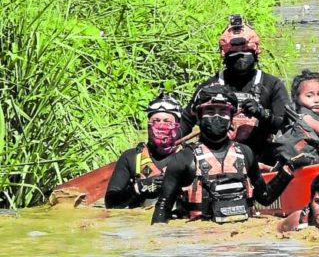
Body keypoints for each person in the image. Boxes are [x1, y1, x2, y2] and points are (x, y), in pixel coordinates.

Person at [151, 85, 294, 224]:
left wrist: (288, 169)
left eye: (223, 112)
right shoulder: (183, 159)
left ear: (232, 117)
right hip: (199, 239)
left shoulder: (245, 154)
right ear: (199, 116)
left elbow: (265, 197)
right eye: (210, 111)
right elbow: (163, 208)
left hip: (241, 237)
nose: (217, 117)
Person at [179, 15, 291, 166]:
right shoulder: (209, 87)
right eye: (234, 55)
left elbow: (287, 123)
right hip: (214, 159)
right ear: (224, 56)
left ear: (256, 54)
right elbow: (186, 121)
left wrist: (262, 114)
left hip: (261, 158)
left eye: (245, 54)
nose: (240, 60)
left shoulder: (272, 85)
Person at [105, 92, 184, 209]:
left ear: (177, 126)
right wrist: (139, 188)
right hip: (140, 224)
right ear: (148, 125)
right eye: (156, 121)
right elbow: (110, 203)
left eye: (167, 122)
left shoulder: (190, 156)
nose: (161, 126)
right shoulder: (131, 157)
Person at [270, 70, 319, 168]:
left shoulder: (317, 115)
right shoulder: (304, 115)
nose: (316, 100)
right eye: (309, 96)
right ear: (296, 98)